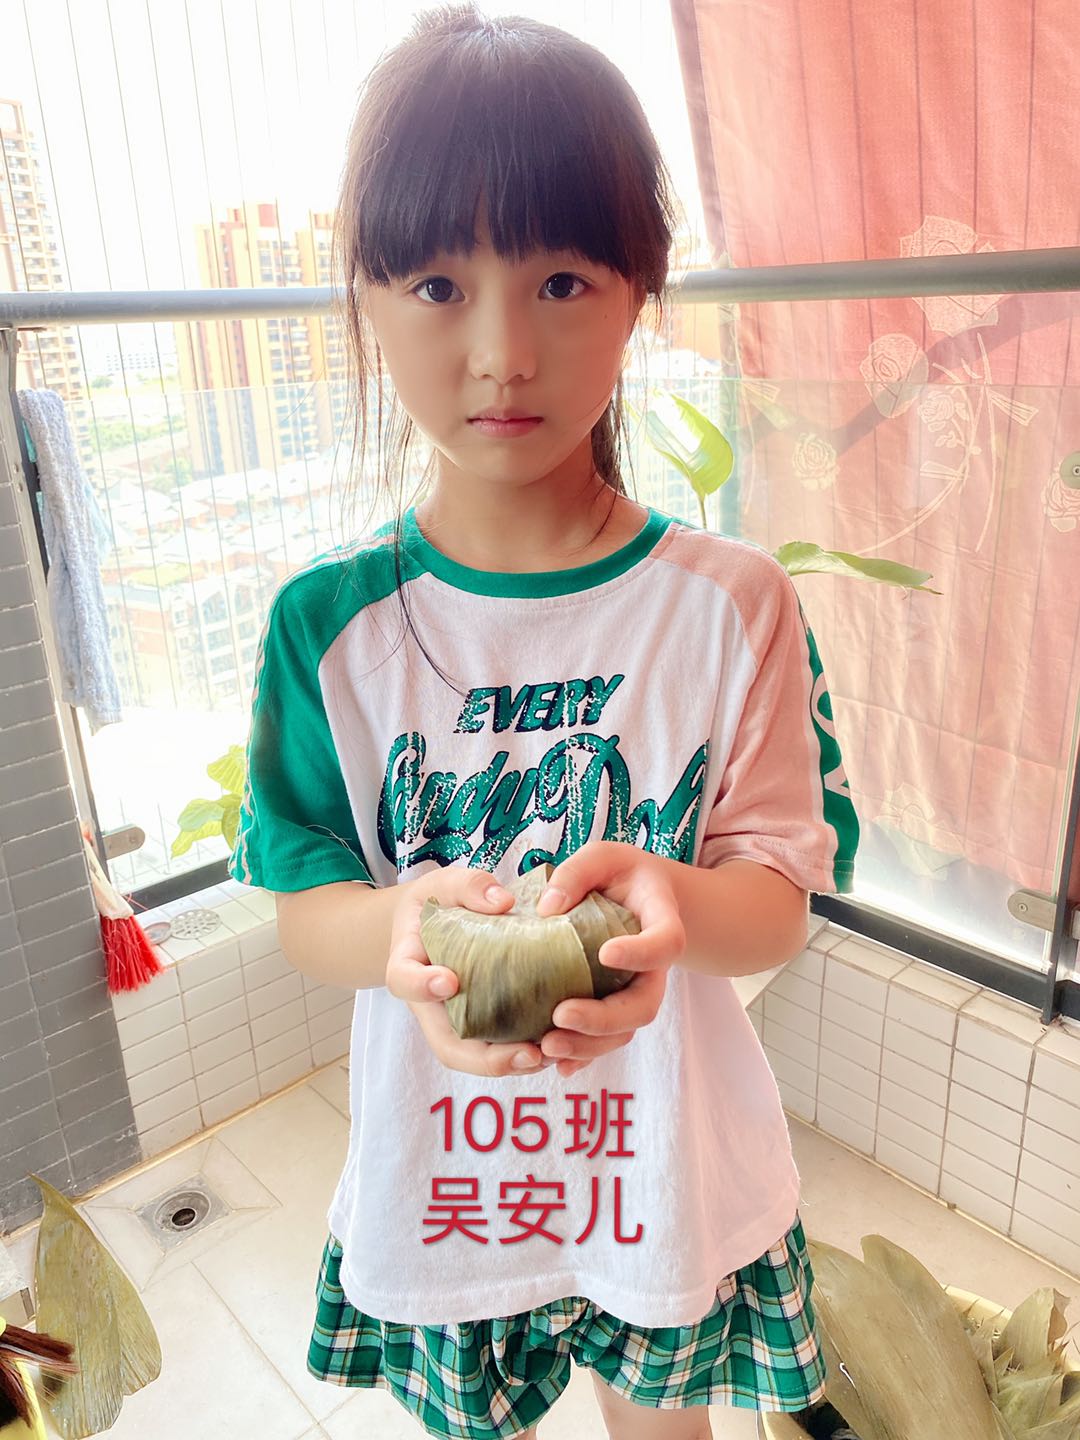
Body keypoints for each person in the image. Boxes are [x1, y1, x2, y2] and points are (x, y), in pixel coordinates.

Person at [227, 5, 860, 1439]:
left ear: (642, 292)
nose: (503, 351)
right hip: (453, 1175)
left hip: (662, 1166)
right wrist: (401, 929)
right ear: (365, 301)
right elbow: (308, 911)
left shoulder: (732, 605)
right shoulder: (326, 627)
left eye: (562, 278)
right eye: (438, 284)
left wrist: (673, 908)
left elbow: (773, 901)